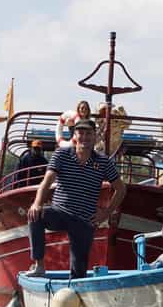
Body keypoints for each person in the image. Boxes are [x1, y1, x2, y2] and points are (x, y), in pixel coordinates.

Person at [26, 119, 127, 279]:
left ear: (95, 137)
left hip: (84, 220)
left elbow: (121, 189)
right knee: (35, 216)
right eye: (81, 133)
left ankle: (76, 289)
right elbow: (47, 181)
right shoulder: (61, 154)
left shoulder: (103, 162)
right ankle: (39, 266)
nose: (84, 137)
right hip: (60, 212)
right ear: (74, 135)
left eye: (88, 134)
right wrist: (37, 203)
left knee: (79, 273)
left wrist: (105, 214)